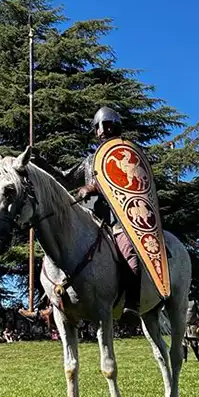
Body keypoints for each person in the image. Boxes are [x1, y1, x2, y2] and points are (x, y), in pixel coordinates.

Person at [37, 107, 144, 316]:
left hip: (119, 218)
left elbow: (125, 180)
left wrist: (92, 187)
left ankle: (133, 301)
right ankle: (51, 301)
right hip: (91, 218)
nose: (103, 130)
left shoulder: (126, 154)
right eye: (98, 127)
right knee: (60, 249)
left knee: (128, 250)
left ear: (117, 127)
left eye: (108, 125)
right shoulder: (89, 160)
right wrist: (41, 163)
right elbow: (65, 178)